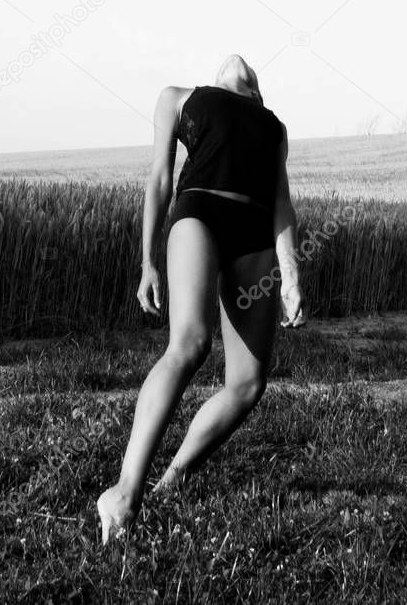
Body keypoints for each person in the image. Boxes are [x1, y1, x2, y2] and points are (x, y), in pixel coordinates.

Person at [96, 54, 306, 544]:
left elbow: (280, 201)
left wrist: (292, 275)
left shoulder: (273, 127)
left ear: (256, 94)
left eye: (251, 76)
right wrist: (148, 261)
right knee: (190, 344)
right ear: (215, 82)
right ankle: (124, 494)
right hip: (200, 215)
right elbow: (161, 179)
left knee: (249, 384)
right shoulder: (178, 98)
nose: (240, 61)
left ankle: (171, 482)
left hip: (254, 236)